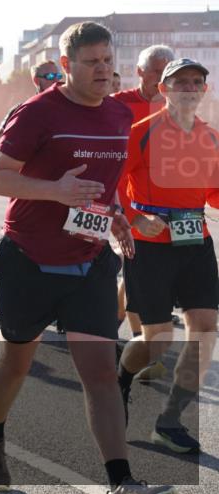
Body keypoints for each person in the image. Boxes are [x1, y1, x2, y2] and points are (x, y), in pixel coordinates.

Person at [0, 21, 177, 494]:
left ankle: (121, 483)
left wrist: (117, 216)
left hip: (89, 263)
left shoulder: (115, 116)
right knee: (14, 362)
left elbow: (104, 185)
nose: (103, 70)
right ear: (66, 66)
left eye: (108, 60)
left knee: (101, 373)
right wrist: (55, 191)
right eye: (92, 62)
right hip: (29, 259)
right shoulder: (36, 114)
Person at [116, 58, 219, 454]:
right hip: (150, 248)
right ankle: (120, 382)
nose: (189, 88)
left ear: (204, 90)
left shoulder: (210, 138)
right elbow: (114, 186)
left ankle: (170, 420)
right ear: (164, 89)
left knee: (206, 328)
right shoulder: (141, 133)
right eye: (180, 82)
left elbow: (212, 192)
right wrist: (134, 218)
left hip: (196, 242)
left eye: (196, 82)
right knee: (157, 340)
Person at [111, 45, 176, 357]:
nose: (162, 78)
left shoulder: (175, 108)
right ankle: (140, 340)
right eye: (156, 71)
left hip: (161, 205)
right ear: (139, 72)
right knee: (135, 266)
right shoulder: (115, 106)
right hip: (120, 201)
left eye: (168, 72)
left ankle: (113, 326)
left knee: (134, 267)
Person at [0, 60, 63, 139]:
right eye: (50, 76)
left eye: (58, 76)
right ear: (36, 80)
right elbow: (1, 135)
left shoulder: (67, 109)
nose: (56, 81)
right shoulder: (20, 109)